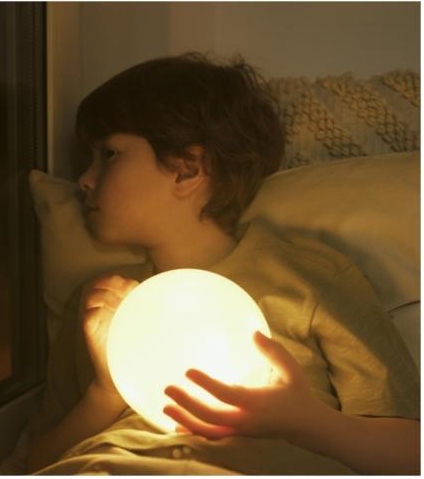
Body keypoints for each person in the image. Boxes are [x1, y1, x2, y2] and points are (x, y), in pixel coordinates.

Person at [25, 53, 420, 474]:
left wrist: (305, 421)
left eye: (109, 154)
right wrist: (105, 392)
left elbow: (411, 453)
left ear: (188, 169)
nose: (85, 179)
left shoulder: (309, 278)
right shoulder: (99, 309)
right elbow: (33, 463)